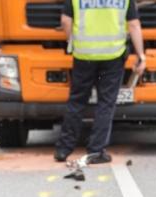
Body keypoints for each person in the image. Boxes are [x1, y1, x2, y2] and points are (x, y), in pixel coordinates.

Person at [55, 0, 146, 165]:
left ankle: (63, 149)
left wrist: (72, 43)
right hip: (112, 56)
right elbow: (133, 25)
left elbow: (65, 21)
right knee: (106, 103)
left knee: (76, 101)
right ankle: (96, 151)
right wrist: (141, 55)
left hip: (84, 56)